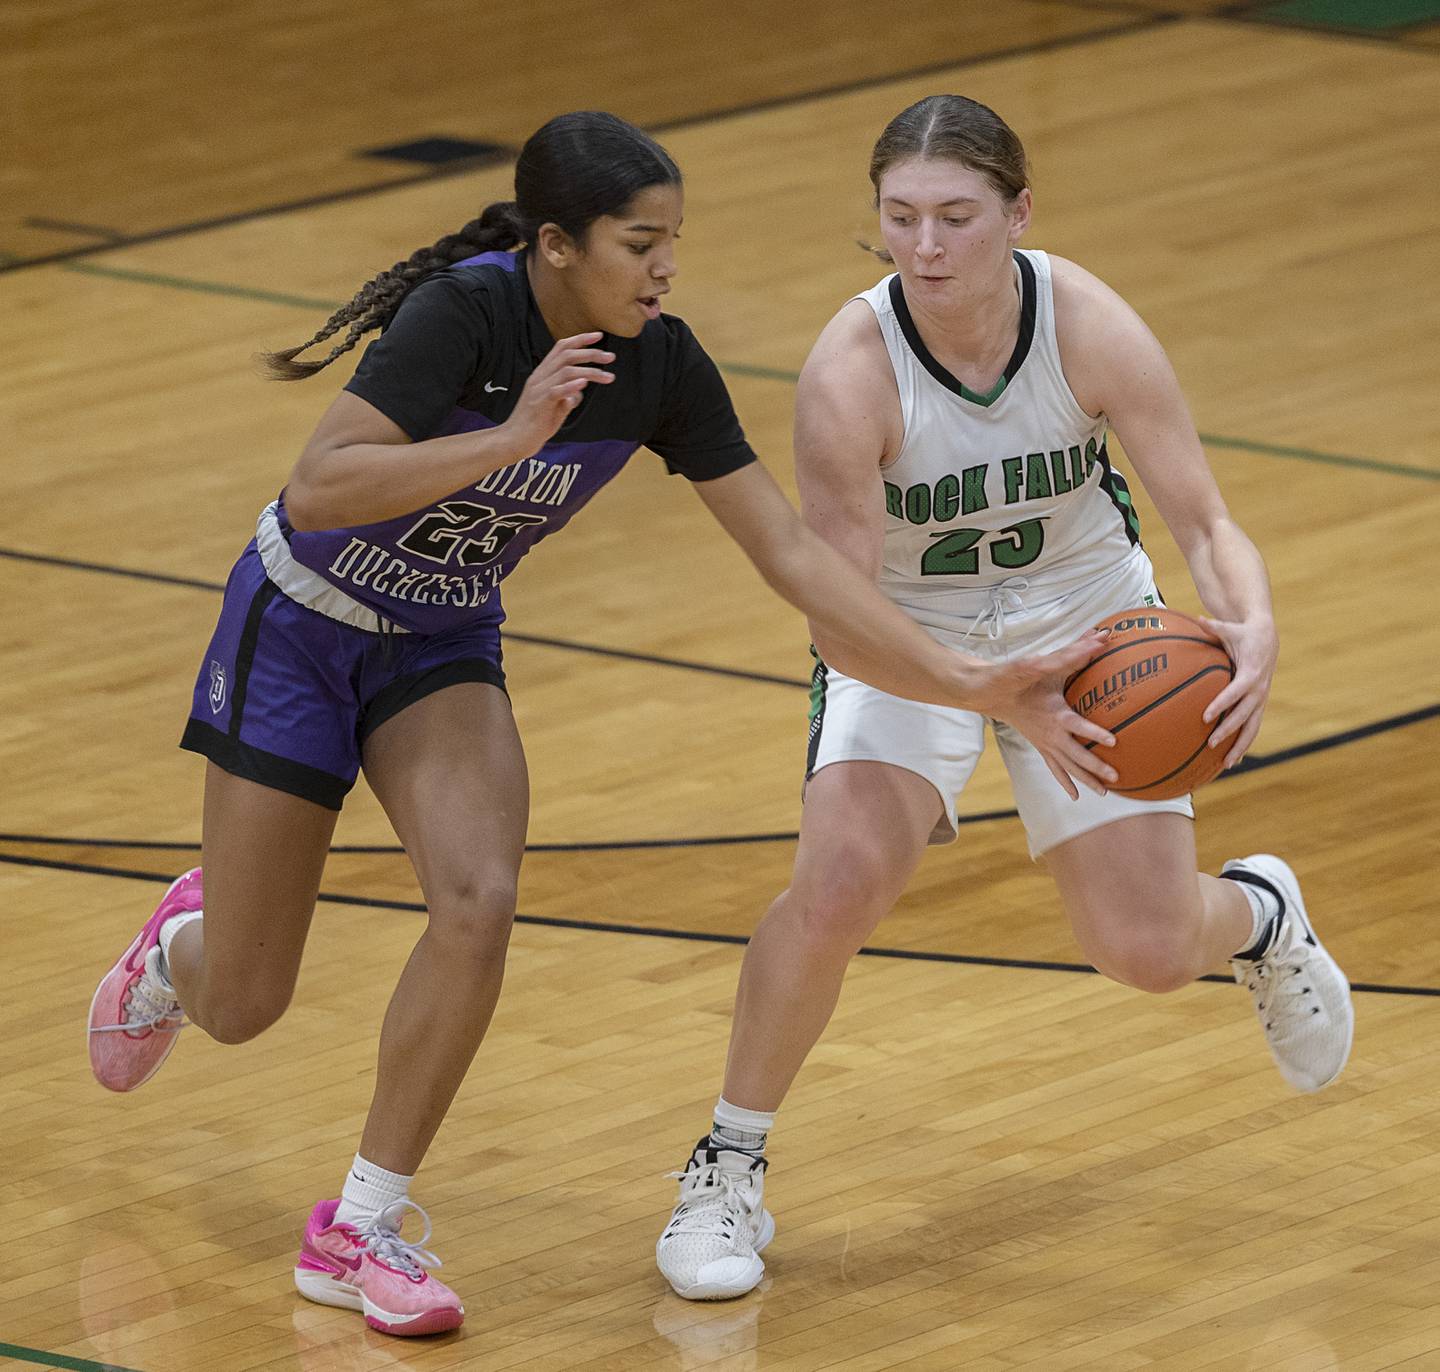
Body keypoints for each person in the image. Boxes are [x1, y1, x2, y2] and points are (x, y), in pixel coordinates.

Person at [85, 110, 1117, 1337]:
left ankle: (360, 1223)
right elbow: (319, 490)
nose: (667, 266)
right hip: (300, 628)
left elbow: (786, 548)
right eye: (642, 242)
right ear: (559, 246)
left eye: (674, 237)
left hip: (440, 639)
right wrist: (512, 438)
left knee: (481, 899)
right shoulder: (463, 320)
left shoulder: (660, 366)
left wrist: (971, 678)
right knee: (246, 1001)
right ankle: (180, 947)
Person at [655, 94, 1355, 1303]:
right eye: (901, 218)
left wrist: (1254, 623)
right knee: (836, 884)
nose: (925, 247)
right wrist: (976, 691)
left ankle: (1258, 916)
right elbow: (838, 614)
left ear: (1018, 215)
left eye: (956, 218)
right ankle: (726, 1159)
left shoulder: (1086, 323)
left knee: (1141, 952)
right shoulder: (849, 374)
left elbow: (1203, 519)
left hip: (1084, 619)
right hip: (903, 635)